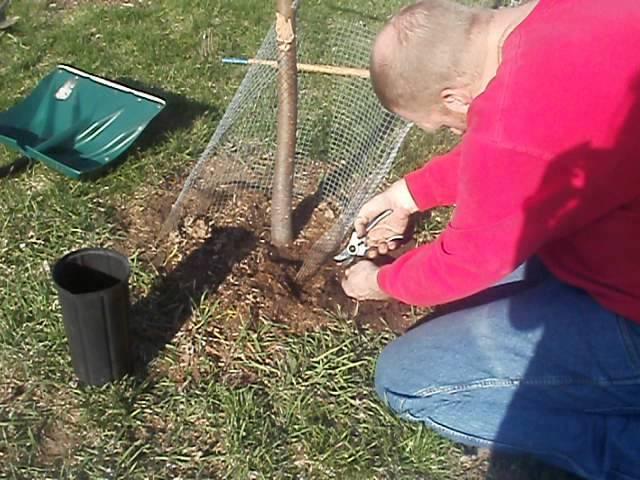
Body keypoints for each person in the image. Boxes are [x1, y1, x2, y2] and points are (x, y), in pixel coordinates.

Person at [340, 0, 640, 478]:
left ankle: (619, 450)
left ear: (454, 98)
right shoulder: (571, 11)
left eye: (439, 125)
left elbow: (465, 262)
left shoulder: (513, 118)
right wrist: (409, 194)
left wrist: (379, 281)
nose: (450, 132)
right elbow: (522, 153)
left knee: (405, 379)